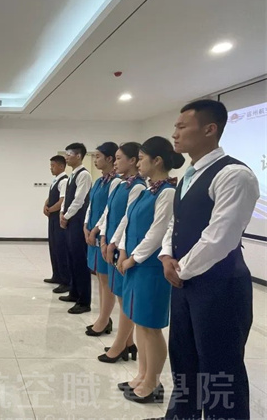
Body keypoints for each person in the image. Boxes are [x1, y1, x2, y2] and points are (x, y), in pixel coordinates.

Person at [159, 100, 259, 420]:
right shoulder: (188, 175)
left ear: (209, 129)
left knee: (220, 367)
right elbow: (175, 223)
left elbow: (221, 237)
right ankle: (182, 415)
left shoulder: (234, 174)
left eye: (181, 126)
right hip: (184, 281)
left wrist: (182, 269)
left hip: (220, 285)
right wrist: (166, 255)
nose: (174, 134)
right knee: (184, 358)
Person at [114, 136, 184, 404]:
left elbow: (158, 232)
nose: (139, 163)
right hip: (135, 263)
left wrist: (133, 259)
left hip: (150, 267)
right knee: (140, 323)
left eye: (142, 159)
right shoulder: (146, 190)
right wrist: (122, 251)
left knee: (151, 326)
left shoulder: (167, 192)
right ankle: (142, 375)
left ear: (157, 161)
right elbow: (128, 221)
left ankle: (153, 382)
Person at [97, 143, 146, 363]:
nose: (115, 163)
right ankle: (128, 342)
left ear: (133, 161)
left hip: (123, 247)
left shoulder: (138, 187)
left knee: (125, 297)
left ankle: (120, 345)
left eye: (119, 158)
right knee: (118, 293)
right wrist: (103, 237)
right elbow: (108, 212)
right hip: (113, 243)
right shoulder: (120, 184)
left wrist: (114, 243)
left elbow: (127, 219)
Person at [83, 142, 120, 335]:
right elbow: (91, 206)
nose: (95, 160)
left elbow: (108, 211)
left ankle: (104, 320)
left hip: (103, 235)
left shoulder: (116, 182)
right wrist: (85, 225)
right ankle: (103, 317)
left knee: (106, 280)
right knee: (99, 277)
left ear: (110, 159)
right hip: (92, 234)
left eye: (98, 156)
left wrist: (96, 230)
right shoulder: (99, 181)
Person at [58, 143, 93, 314]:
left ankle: (84, 301)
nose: (66, 157)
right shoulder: (72, 175)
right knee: (71, 257)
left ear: (78, 156)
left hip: (78, 221)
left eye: (69, 154)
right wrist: (62, 213)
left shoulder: (84, 175)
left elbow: (79, 200)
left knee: (80, 260)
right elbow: (66, 198)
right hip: (70, 220)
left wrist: (66, 216)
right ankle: (74, 292)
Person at [43, 155, 70, 291]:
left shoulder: (64, 181)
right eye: (50, 165)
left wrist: (50, 209)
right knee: (53, 246)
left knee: (60, 248)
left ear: (61, 166)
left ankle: (65, 280)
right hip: (52, 218)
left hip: (58, 217)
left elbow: (62, 201)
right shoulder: (56, 180)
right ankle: (57, 275)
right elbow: (51, 197)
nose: (51, 168)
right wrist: (45, 205)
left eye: (53, 165)